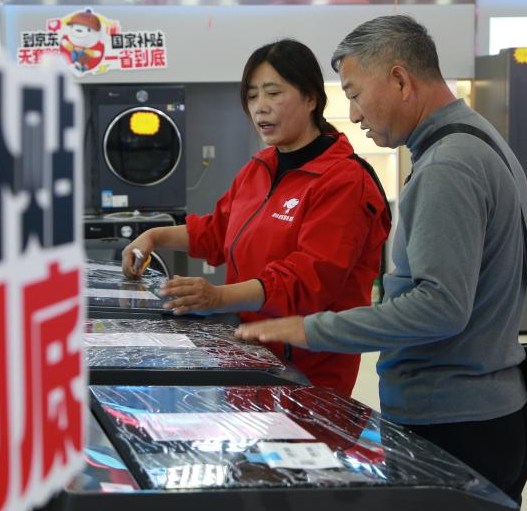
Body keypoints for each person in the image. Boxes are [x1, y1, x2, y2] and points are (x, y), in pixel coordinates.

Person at [234, 15, 527, 504]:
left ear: (400, 79)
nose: (353, 115)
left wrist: (308, 328)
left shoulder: (448, 165)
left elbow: (439, 308)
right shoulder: (478, 139)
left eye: (355, 94)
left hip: (454, 422)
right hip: (481, 411)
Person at [122, 39, 391, 397]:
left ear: (311, 98)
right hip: (247, 360)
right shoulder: (259, 168)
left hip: (307, 378)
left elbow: (307, 281)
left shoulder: (344, 181)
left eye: (273, 93)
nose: (260, 107)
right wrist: (155, 236)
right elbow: (218, 231)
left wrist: (218, 297)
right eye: (252, 96)